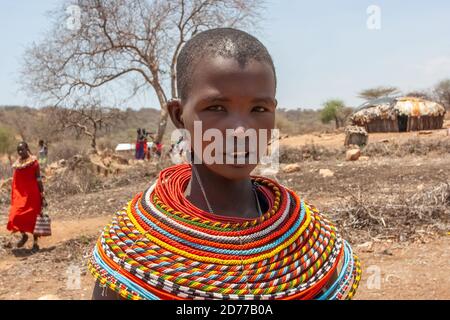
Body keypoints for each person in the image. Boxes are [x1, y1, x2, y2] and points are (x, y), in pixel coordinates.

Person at [89, 28, 361, 300]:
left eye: (259, 109)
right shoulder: (134, 248)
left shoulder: (306, 242)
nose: (241, 131)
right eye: (217, 108)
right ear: (179, 115)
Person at [7, 142, 46, 253]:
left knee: (34, 219)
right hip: (21, 196)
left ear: (27, 149)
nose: (20, 152)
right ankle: (24, 235)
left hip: (33, 195)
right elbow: (16, 183)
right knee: (15, 216)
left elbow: (38, 179)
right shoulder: (17, 165)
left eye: (22, 149)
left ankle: (35, 243)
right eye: (18, 150)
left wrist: (42, 193)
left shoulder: (34, 162)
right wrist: (15, 196)